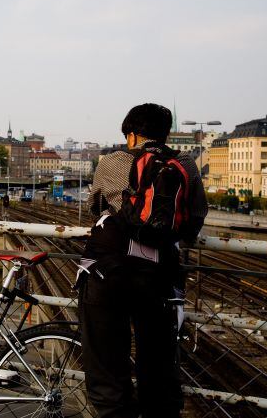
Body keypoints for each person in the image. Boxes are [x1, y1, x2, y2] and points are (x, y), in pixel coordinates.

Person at [79, 103, 207, 418]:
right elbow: (195, 218)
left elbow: (95, 206)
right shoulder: (185, 164)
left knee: (107, 364)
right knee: (159, 364)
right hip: (159, 274)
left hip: (108, 269)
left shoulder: (110, 162)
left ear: (133, 136)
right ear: (166, 133)